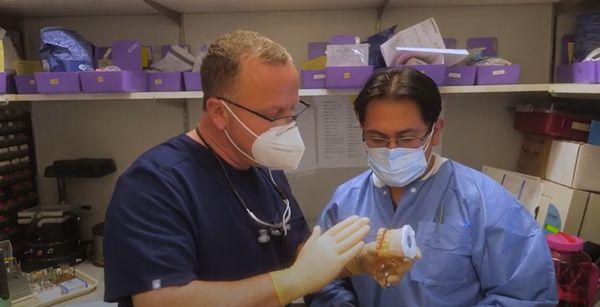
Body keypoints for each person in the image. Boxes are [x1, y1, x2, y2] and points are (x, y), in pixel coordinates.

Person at [103, 30, 370, 307]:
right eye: (273, 114)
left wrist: (356, 261)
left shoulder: (262, 163)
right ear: (219, 112)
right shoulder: (154, 184)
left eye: (292, 110)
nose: (288, 126)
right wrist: (291, 282)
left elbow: (300, 252)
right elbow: (162, 301)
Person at [309, 68, 558, 306]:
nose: (392, 150)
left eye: (407, 138)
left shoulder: (484, 204)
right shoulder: (346, 201)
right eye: (378, 138)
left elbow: (525, 296)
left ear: (435, 131)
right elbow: (322, 282)